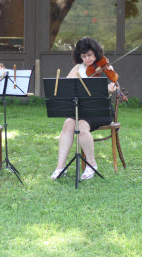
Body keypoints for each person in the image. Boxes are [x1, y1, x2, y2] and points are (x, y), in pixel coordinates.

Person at [50, 37, 117, 180]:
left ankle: (91, 164)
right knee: (68, 124)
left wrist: (110, 89)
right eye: (84, 56)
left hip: (100, 110)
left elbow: (114, 84)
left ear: (96, 53)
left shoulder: (104, 67)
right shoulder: (77, 69)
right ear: (79, 56)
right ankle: (60, 168)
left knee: (81, 126)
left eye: (90, 55)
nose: (87, 59)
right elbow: (65, 89)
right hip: (80, 109)